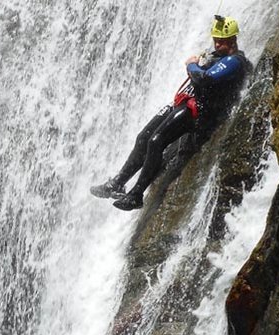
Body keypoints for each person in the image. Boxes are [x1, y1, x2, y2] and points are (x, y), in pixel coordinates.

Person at [91, 15, 252, 211]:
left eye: (222, 41)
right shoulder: (217, 57)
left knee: (156, 141)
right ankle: (116, 183)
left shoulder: (235, 61)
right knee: (143, 138)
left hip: (200, 110)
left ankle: (136, 195)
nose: (218, 44)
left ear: (233, 39)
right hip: (186, 101)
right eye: (216, 40)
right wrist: (200, 62)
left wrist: (192, 64)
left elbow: (204, 79)